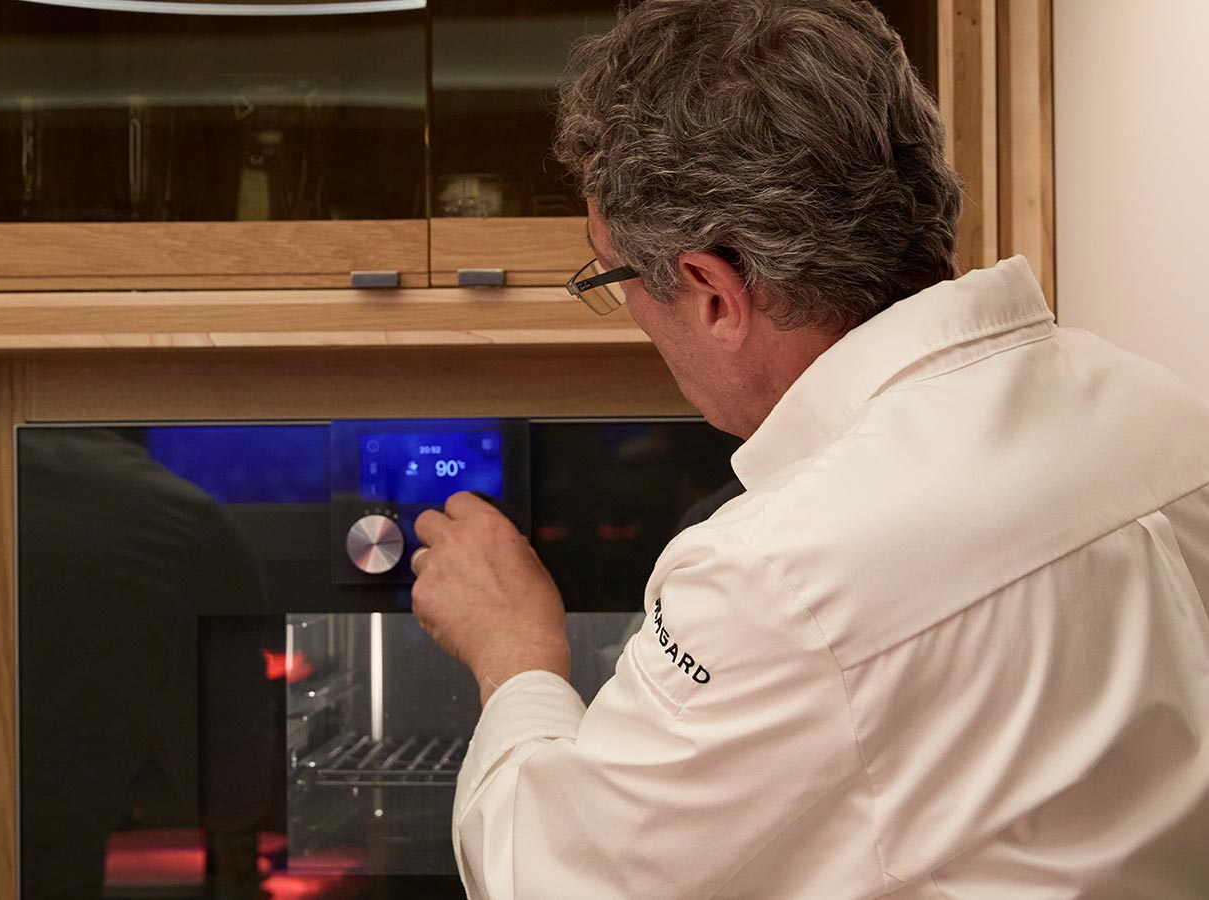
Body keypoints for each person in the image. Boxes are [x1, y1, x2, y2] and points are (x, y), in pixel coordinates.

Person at [409, 1, 1209, 897]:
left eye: (612, 275)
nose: (627, 309)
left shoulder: (778, 573)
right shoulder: (1167, 417)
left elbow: (552, 877)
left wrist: (514, 651)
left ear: (713, 292)